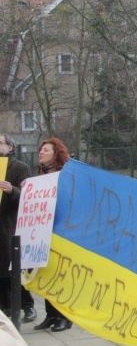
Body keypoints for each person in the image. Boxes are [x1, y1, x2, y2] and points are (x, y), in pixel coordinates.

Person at [31, 138, 72, 332]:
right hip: (43, 231)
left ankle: (64, 316)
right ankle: (51, 314)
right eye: (41, 150)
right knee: (46, 274)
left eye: (46, 150)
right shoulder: (40, 175)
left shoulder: (65, 174)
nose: (41, 153)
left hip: (61, 231)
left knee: (60, 276)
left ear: (56, 153)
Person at [0, 134, 37, 324]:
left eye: (0, 142)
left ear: (10, 147)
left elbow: (29, 196)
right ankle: (5, 307)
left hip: (10, 225)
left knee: (14, 269)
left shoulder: (20, 167)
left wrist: (11, 190)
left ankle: (28, 306)